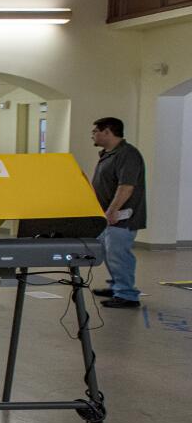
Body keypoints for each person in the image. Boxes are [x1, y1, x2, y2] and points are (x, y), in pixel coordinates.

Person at [90, 117, 146, 309]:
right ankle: (117, 287)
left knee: (119, 254)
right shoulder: (108, 154)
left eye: (95, 131)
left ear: (107, 132)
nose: (93, 135)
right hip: (107, 217)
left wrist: (113, 211)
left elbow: (126, 187)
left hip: (121, 217)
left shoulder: (127, 154)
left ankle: (127, 295)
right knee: (109, 253)